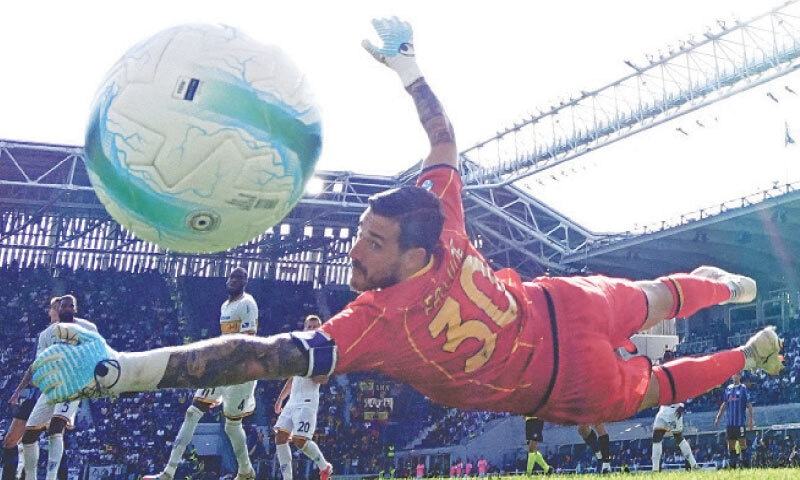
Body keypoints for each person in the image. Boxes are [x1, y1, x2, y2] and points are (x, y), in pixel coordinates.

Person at [32, 17, 784, 429]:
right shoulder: (423, 248)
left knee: (657, 341)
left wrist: (122, 371)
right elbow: (444, 143)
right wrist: (408, 70)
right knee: (657, 343)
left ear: (419, 254)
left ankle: (731, 321)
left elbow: (256, 354)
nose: (353, 253)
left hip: (562, 344)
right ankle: (734, 324)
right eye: (361, 235)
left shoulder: (382, 312)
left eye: (372, 243)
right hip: (563, 338)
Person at [144, 267, 258, 480]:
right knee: (192, 412)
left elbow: (247, 341)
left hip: (239, 372)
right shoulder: (226, 306)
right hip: (221, 369)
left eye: (239, 277)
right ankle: (168, 472)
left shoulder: (248, 304)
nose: (234, 280)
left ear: (245, 281)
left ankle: (246, 471)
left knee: (232, 426)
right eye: (232, 276)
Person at [21, 295, 96, 480]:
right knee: (28, 436)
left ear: (75, 309)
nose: (67, 308)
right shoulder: (47, 335)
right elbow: (40, 361)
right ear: (59, 309)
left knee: (56, 426)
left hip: (73, 384)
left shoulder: (88, 328)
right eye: (64, 306)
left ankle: (51, 477)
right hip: (52, 387)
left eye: (71, 305)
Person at [2, 297, 61, 480]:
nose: (48, 313)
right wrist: (18, 390)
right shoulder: (44, 335)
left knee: (43, 440)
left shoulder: (71, 334)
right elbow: (34, 366)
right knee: (11, 440)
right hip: (36, 395)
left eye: (51, 309)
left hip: (55, 395)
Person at [273, 315, 333, 480]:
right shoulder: (299, 350)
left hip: (307, 402)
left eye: (315, 326)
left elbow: (324, 379)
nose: (312, 329)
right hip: (292, 401)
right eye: (309, 326)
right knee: (280, 437)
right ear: (304, 329)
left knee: (300, 441)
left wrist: (310, 371)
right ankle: (287, 478)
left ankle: (325, 466)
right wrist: (280, 399)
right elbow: (292, 378)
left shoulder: (322, 352)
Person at [713, 372, 754, 468]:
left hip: (740, 422)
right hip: (730, 423)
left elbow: (749, 404)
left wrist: (751, 420)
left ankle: (747, 466)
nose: (735, 376)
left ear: (740, 376)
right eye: (733, 374)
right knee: (731, 445)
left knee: (742, 444)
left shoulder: (743, 388)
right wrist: (718, 417)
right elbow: (724, 404)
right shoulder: (728, 389)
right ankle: (733, 466)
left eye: (737, 374)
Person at [651, 403, 698, 471]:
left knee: (678, 438)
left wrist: (682, 406)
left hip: (674, 411)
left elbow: (686, 395)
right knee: (656, 438)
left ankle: (693, 464)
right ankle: (655, 469)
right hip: (663, 410)